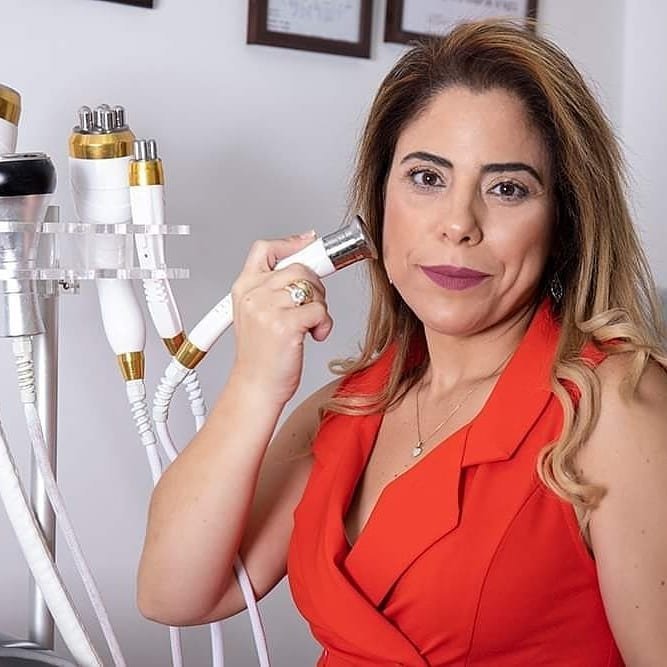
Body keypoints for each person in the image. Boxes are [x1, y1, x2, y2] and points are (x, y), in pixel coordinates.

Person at [136, 19, 667, 666]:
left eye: (506, 188)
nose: (458, 224)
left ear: (563, 222)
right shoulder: (350, 406)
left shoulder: (615, 406)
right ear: (379, 202)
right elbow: (172, 594)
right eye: (426, 178)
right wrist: (255, 382)